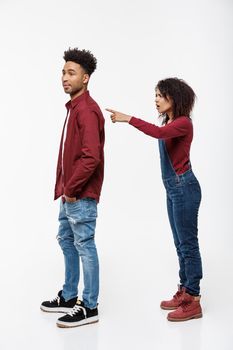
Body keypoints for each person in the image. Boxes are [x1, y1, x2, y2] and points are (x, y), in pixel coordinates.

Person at [106, 78, 203, 322]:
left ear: (175, 98)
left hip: (184, 188)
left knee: (188, 244)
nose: (156, 99)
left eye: (161, 95)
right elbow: (161, 131)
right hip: (173, 189)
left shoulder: (183, 123)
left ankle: (194, 299)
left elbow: (158, 133)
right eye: (156, 95)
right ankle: (184, 290)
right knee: (180, 243)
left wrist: (129, 119)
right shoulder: (172, 121)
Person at [41, 48, 105, 328]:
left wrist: (73, 188)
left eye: (71, 73)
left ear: (86, 77)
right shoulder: (75, 107)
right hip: (69, 193)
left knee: (84, 245)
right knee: (67, 241)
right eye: (63, 72)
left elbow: (92, 156)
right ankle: (69, 296)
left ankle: (89, 306)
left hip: (79, 194)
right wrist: (65, 190)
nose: (65, 78)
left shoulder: (88, 110)